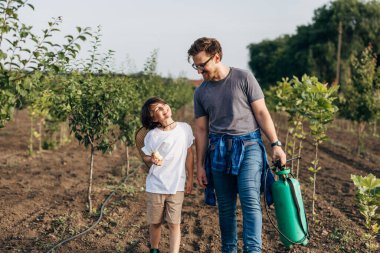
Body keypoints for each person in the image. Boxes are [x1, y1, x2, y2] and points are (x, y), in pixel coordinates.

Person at [187, 37, 286, 253]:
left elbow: (261, 113)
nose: (199, 71)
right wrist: (201, 165)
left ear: (217, 57)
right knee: (226, 207)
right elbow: (202, 130)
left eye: (202, 65)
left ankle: (253, 250)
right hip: (218, 149)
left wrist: (275, 144)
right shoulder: (201, 92)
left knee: (250, 198)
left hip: (249, 144)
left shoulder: (243, 77)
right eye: (196, 66)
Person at [140, 97, 194, 253]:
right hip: (156, 185)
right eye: (157, 109)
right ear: (152, 118)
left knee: (174, 223)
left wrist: (190, 178)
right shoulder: (153, 135)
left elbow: (189, 154)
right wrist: (151, 159)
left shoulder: (185, 128)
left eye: (163, 105)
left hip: (176, 185)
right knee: (155, 222)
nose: (163, 109)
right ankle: (154, 249)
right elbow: (145, 156)